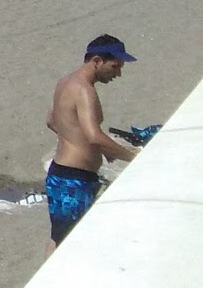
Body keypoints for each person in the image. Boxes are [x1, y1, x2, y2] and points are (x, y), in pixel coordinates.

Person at [45, 35, 140, 254]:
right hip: (73, 180)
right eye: (115, 66)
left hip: (63, 176)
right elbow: (94, 135)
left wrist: (83, 145)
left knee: (59, 238)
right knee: (67, 245)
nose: (118, 73)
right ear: (97, 61)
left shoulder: (65, 82)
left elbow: (52, 120)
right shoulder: (84, 90)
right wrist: (132, 157)